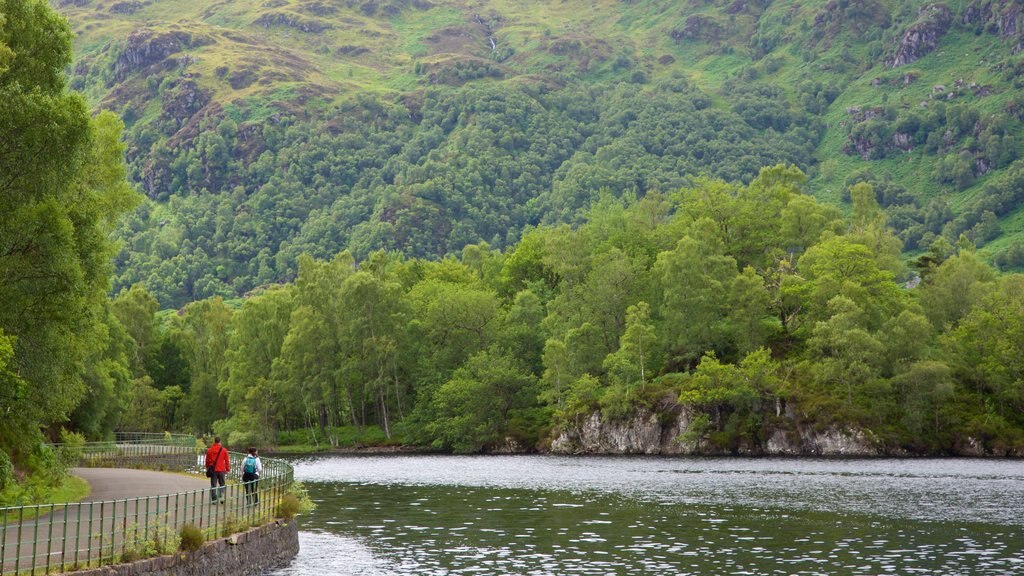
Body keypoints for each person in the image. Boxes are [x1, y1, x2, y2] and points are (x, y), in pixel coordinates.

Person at [205, 436, 230, 504]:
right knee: (222, 484)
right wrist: (227, 469)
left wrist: (207, 468)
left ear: (214, 442)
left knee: (213, 485)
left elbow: (207, 460)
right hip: (221, 469)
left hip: (213, 470)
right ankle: (221, 497)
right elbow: (227, 460)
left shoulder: (210, 450)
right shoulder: (224, 450)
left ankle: (214, 500)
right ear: (220, 442)